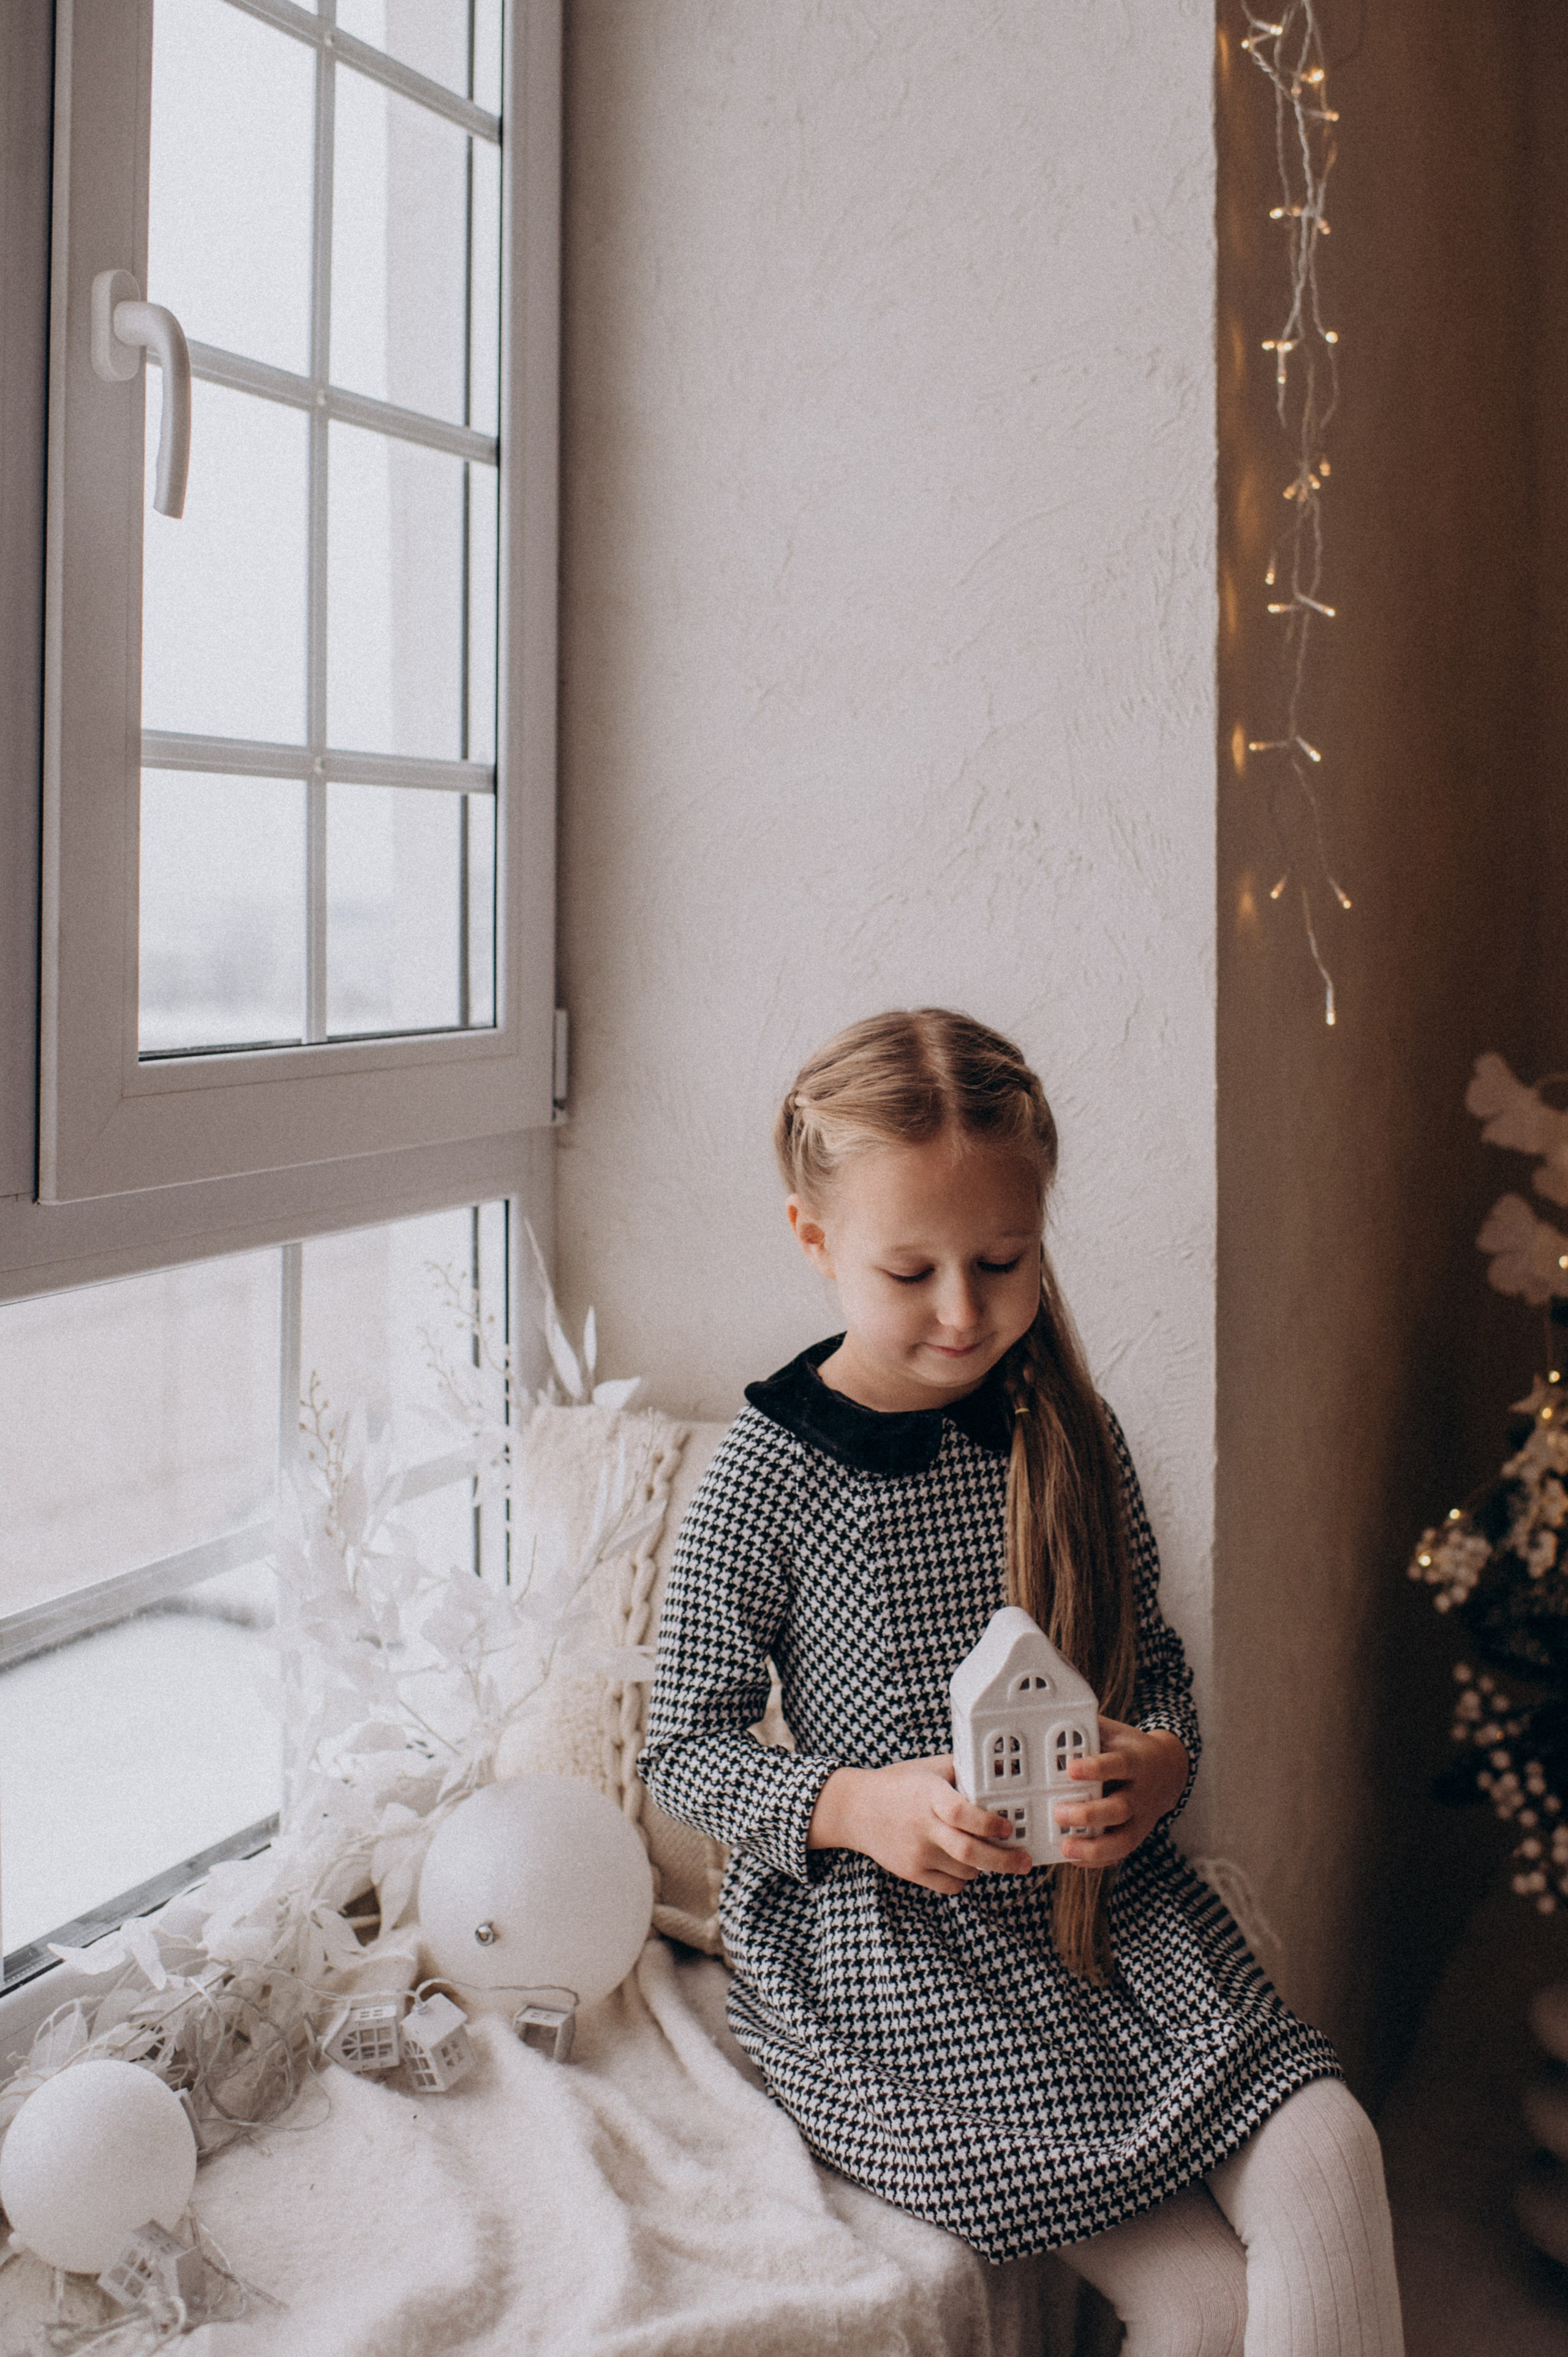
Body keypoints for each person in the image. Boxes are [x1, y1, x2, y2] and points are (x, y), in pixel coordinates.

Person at [638, 1008, 1404, 2356]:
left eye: (1000, 1261)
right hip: (901, 1952)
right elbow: (682, 1747)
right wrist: (857, 1803)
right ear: (814, 1242)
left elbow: (1153, 1669)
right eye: (909, 1269)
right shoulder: (769, 1474)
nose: (960, 1310)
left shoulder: (1066, 1427)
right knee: (1211, 2306)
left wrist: (1157, 1761)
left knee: (1328, 2141)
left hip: (1101, 1908)